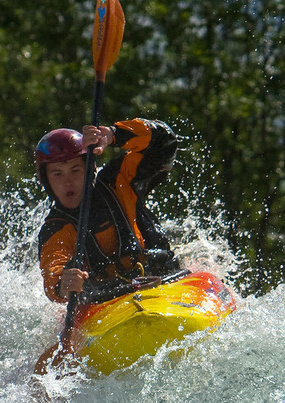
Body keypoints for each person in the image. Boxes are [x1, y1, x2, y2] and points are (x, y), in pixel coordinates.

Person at [35, 118, 180, 305]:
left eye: (75, 170)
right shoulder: (55, 229)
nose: (68, 182)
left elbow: (165, 142)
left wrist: (114, 135)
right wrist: (63, 285)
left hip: (161, 279)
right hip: (105, 303)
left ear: (90, 168)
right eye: (57, 174)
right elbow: (52, 272)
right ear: (45, 179)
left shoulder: (119, 180)